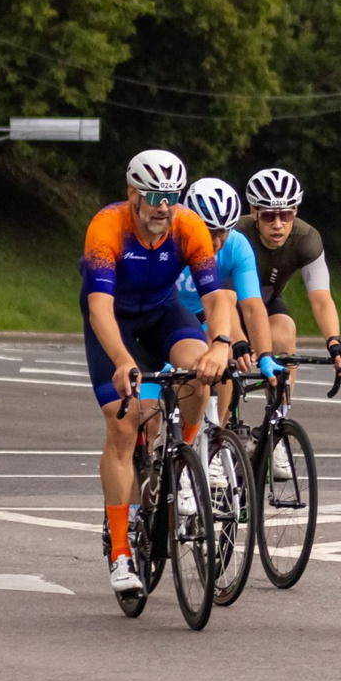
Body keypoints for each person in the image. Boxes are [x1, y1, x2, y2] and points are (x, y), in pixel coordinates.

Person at [82, 150, 239, 596]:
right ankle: (119, 551)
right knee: (125, 422)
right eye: (153, 196)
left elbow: (215, 299)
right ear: (132, 193)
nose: (163, 207)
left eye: (170, 197)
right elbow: (99, 308)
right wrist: (122, 361)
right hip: (115, 324)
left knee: (200, 371)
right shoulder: (105, 229)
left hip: (163, 314)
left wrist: (221, 345)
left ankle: (185, 458)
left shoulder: (189, 228)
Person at [177, 176, 280, 432]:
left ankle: (215, 435)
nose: (216, 241)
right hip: (168, 318)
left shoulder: (237, 246)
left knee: (223, 361)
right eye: (209, 231)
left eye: (223, 231)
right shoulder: (172, 240)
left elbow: (253, 305)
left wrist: (266, 354)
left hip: (204, 317)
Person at [242, 167, 341, 382]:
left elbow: (321, 299)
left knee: (284, 332)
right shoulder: (236, 235)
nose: (277, 224)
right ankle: (219, 414)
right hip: (230, 303)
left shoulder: (306, 239)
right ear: (254, 211)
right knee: (225, 353)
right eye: (268, 216)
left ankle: (280, 411)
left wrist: (334, 342)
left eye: (285, 215)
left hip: (266, 301)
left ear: (295, 211)